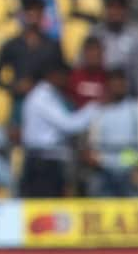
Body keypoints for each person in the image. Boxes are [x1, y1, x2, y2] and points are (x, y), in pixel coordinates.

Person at [20, 62, 99, 197]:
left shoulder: (51, 96)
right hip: (43, 164)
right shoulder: (42, 97)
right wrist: (97, 106)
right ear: (54, 75)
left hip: (48, 161)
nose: (67, 80)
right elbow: (70, 125)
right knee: (45, 209)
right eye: (65, 76)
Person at [0, 0, 65, 126]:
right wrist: (14, 86)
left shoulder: (52, 45)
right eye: (29, 11)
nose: (33, 16)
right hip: (20, 102)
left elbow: (63, 74)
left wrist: (39, 85)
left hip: (46, 102)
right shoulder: (12, 45)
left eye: (37, 12)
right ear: (23, 14)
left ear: (42, 15)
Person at [82, 69, 138, 197]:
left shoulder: (134, 109)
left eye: (121, 84)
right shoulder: (98, 110)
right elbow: (90, 141)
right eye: (115, 84)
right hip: (103, 167)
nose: (118, 88)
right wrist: (90, 155)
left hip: (129, 168)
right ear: (108, 86)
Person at [89, 0, 138, 96]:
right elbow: (82, 64)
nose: (115, 12)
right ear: (105, 10)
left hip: (129, 95)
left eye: (119, 8)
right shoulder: (95, 33)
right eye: (111, 8)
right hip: (100, 94)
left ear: (126, 11)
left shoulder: (135, 35)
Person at [69, 36, 108, 108]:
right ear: (84, 53)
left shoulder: (108, 77)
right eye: (90, 50)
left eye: (96, 50)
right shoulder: (74, 76)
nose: (93, 54)